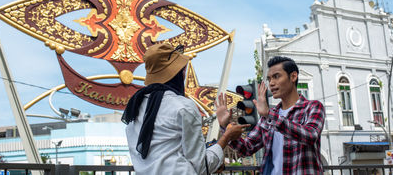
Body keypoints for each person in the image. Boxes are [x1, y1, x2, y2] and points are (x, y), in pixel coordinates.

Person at [122, 43, 248, 175]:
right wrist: (226, 137)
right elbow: (202, 167)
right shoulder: (183, 106)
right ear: (177, 75)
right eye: (182, 71)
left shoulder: (135, 106)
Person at [215, 56, 325, 174]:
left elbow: (310, 136)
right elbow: (246, 148)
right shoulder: (268, 118)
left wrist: (269, 115)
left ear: (293, 76)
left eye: (276, 76)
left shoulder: (312, 107)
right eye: (269, 79)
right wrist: (225, 125)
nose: (271, 83)